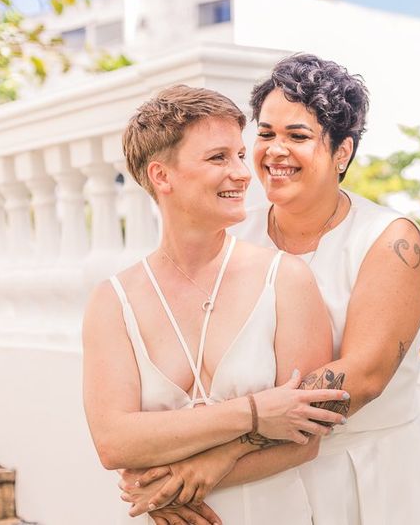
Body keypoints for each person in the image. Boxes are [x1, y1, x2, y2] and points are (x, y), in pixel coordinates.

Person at [122, 54, 420, 524]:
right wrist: (168, 469)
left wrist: (219, 460)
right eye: (266, 133)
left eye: (298, 136)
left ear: (342, 152)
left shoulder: (390, 241)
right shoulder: (236, 235)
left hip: (371, 477)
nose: (275, 151)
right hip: (267, 488)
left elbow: (362, 378)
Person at [82, 85, 350, 525]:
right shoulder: (114, 301)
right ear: (161, 176)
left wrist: (174, 483)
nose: (243, 173)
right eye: (218, 158)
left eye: (241, 155)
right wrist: (254, 413)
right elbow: (113, 442)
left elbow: (306, 435)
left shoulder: (285, 279)